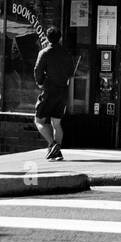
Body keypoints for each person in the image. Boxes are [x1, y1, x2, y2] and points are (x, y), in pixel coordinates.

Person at [33, 27, 72, 162]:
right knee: (57, 122)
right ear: (60, 38)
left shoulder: (44, 53)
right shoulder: (66, 53)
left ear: (47, 38)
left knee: (39, 120)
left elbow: (38, 70)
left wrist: (40, 83)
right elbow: (71, 72)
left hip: (49, 90)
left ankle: (52, 144)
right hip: (63, 91)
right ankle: (57, 151)